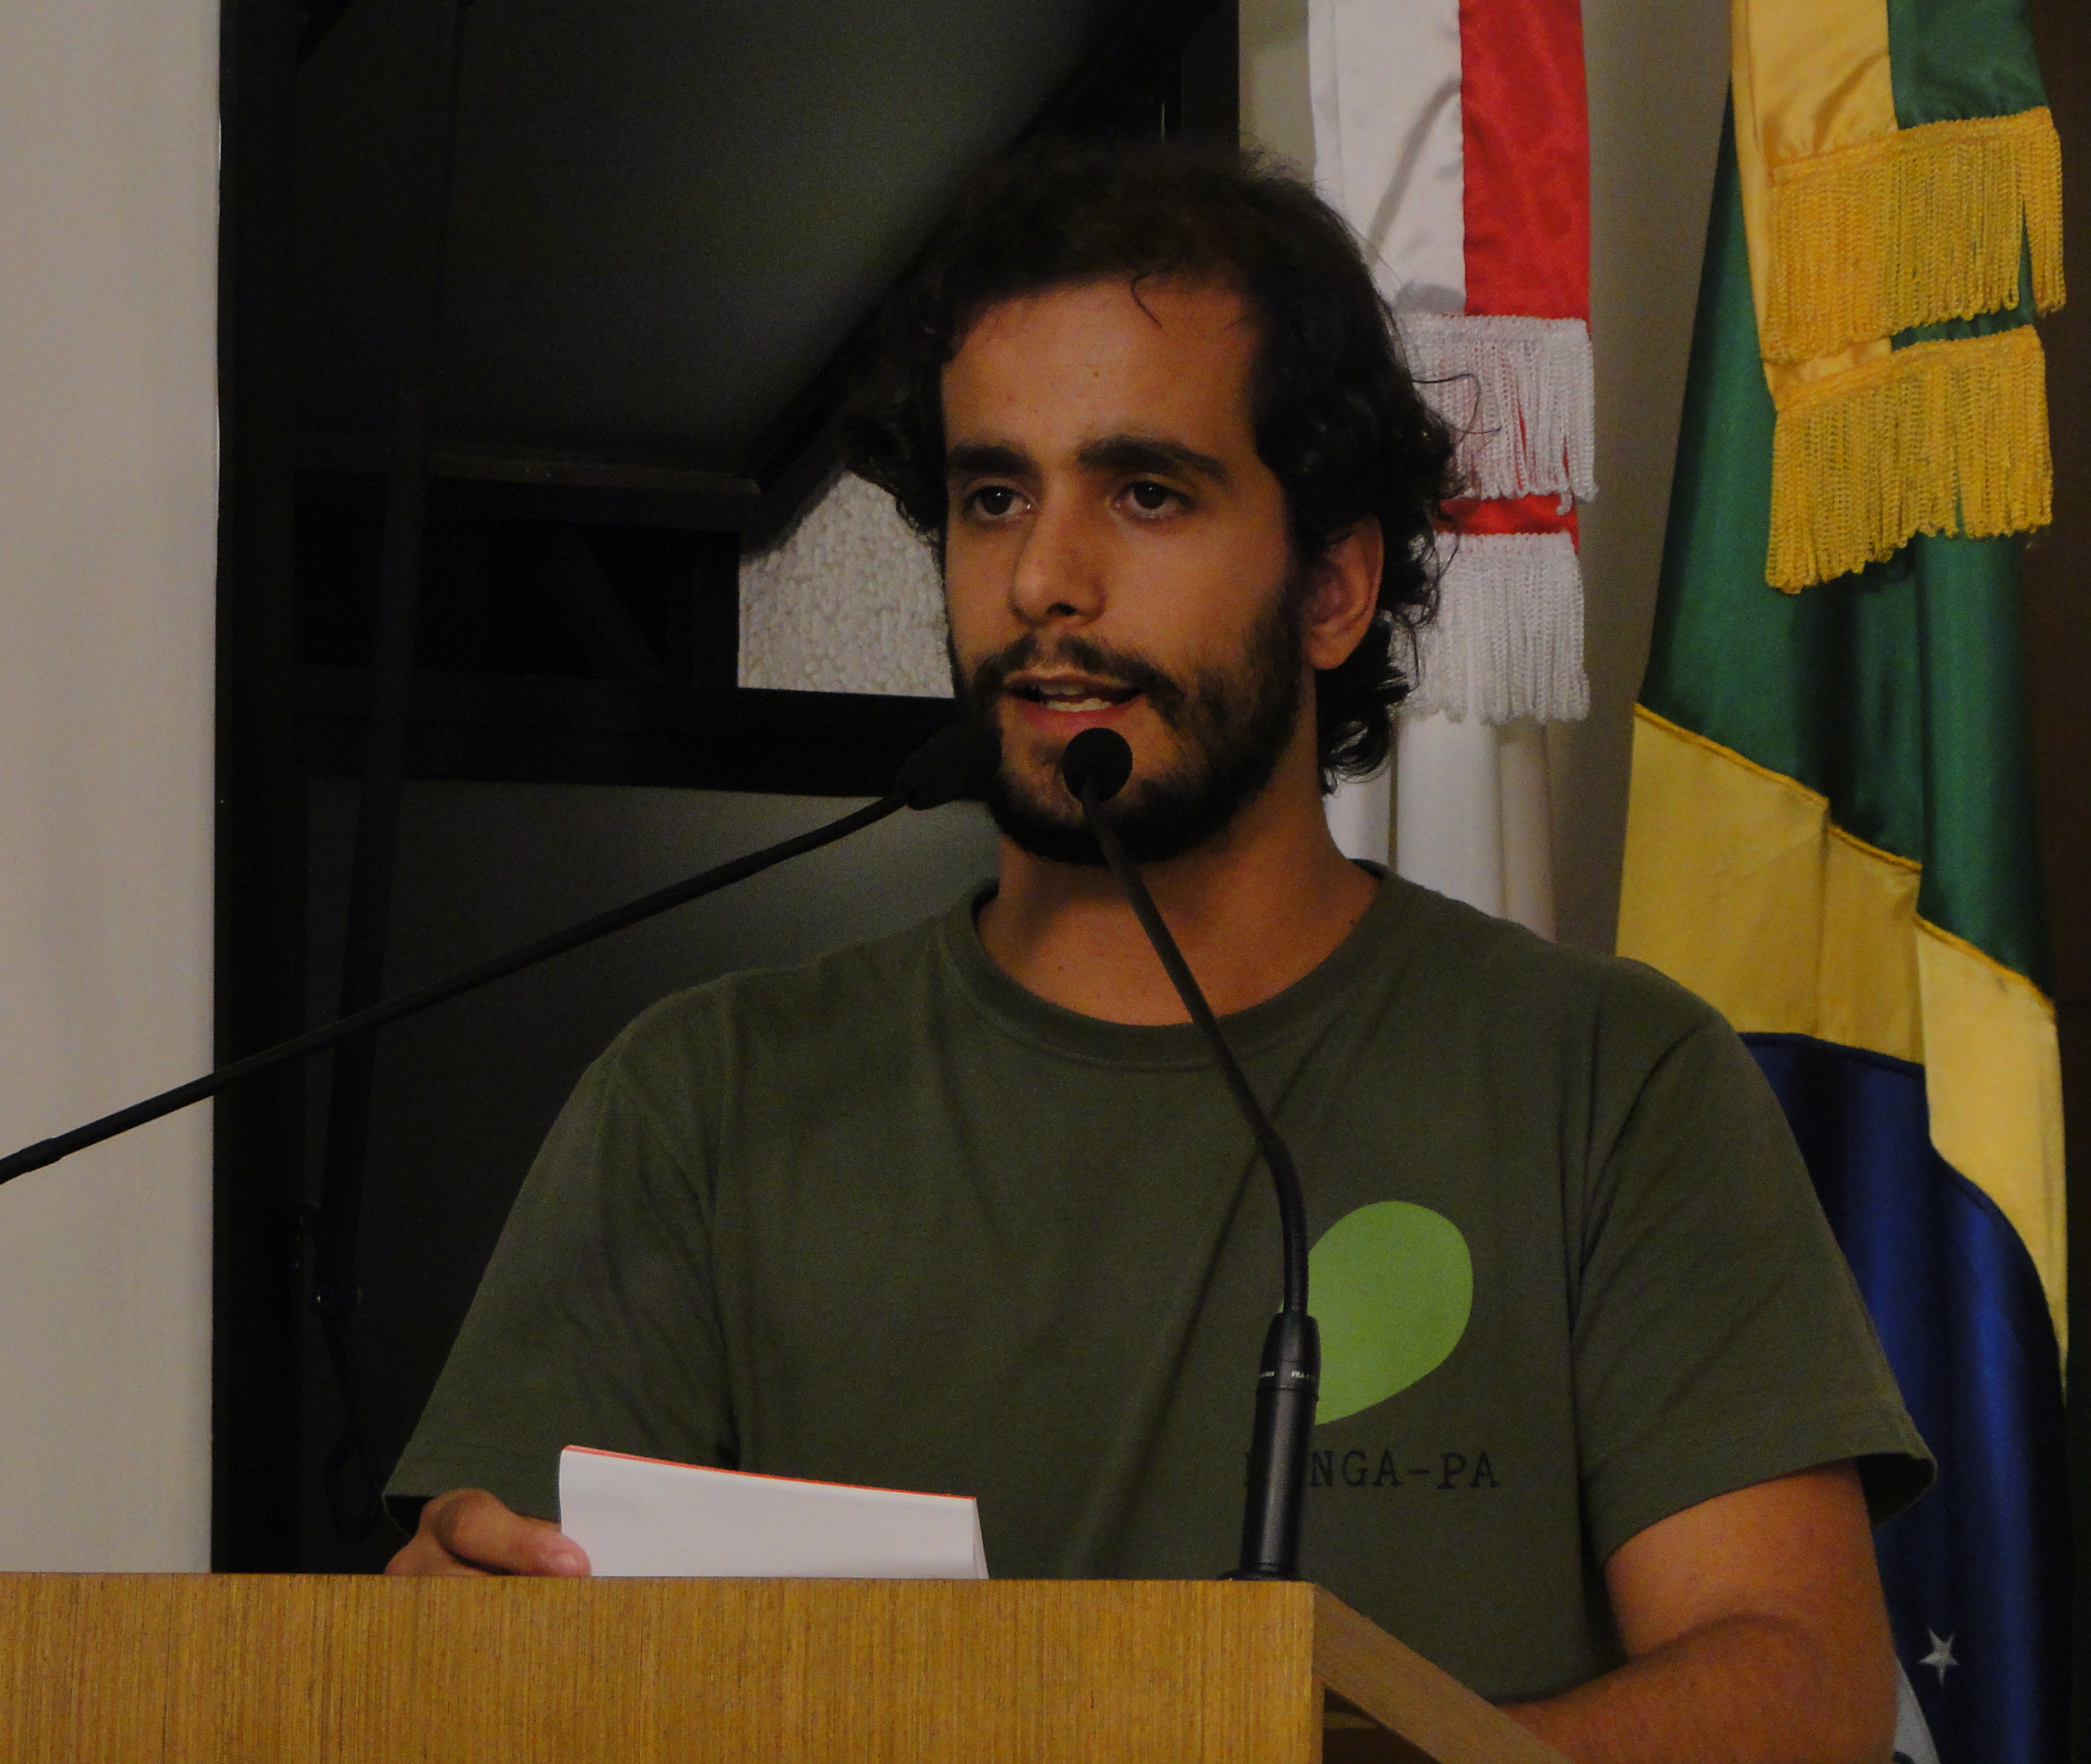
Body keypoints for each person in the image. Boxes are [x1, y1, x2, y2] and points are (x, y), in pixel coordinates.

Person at [385, 139, 1927, 1764]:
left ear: (1333, 586)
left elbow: (1801, 1689)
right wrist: (439, 1651)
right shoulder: (699, 1101)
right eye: (992, 497)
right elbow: (490, 1652)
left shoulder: (1613, 1082)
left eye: (1146, 494)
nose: (1043, 582)